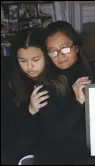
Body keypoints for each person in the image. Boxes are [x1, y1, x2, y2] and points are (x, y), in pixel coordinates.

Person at [44, 21, 95, 164]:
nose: (60, 55)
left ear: (76, 47)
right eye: (53, 51)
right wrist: (77, 102)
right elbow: (54, 133)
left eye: (65, 48)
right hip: (64, 154)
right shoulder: (47, 83)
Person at [1, 27, 70, 164]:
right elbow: (8, 126)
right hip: (20, 145)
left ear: (46, 55)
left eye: (36, 59)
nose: (29, 66)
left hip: (52, 147)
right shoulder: (11, 80)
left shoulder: (59, 79)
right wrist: (30, 110)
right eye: (23, 61)